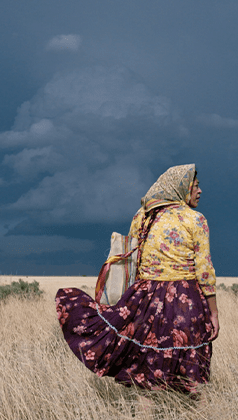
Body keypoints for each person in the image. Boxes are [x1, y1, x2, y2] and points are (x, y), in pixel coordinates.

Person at [55, 164, 218, 396]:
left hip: (146, 298)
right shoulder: (195, 220)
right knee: (193, 368)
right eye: (196, 186)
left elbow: (135, 255)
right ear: (181, 188)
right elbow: (204, 270)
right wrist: (214, 312)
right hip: (185, 298)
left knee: (146, 367)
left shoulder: (143, 216)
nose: (200, 191)